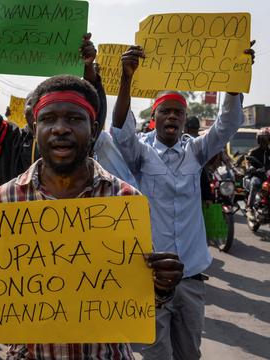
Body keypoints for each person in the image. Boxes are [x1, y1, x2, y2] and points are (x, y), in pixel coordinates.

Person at [0, 74, 184, 359]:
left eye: (74, 119)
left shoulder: (125, 201)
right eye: (48, 119)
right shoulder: (4, 201)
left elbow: (143, 300)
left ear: (93, 129)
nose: (60, 129)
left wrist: (163, 283)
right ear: (34, 128)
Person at [111, 43, 254, 360]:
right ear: (155, 118)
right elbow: (120, 130)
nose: (172, 117)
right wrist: (126, 78)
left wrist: (233, 81)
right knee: (156, 353)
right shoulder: (141, 155)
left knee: (189, 352)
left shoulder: (196, 151)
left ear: (185, 117)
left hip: (190, 279)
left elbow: (225, 126)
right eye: (166, 111)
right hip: (149, 277)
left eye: (178, 112)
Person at [0, 32, 106, 184]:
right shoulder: (10, 138)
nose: (60, 130)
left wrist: (87, 68)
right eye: (31, 102)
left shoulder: (75, 136)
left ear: (92, 131)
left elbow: (95, 110)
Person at [245, 127, 270, 219]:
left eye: (267, 139)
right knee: (255, 183)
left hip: (268, 176)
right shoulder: (253, 152)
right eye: (262, 139)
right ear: (259, 140)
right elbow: (248, 161)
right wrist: (251, 168)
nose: (265, 141)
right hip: (258, 175)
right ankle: (250, 208)